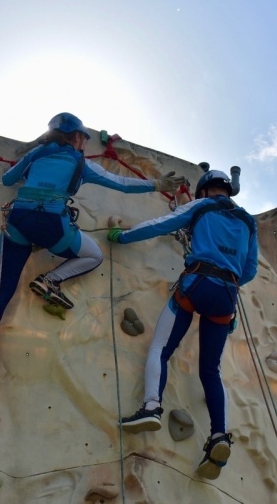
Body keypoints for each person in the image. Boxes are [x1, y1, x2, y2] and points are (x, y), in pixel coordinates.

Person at [0, 112, 186, 378]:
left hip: (18, 222)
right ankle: (49, 280)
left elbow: (7, 180)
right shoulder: (80, 163)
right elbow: (121, 184)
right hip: (52, 226)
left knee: (3, 287)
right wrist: (157, 184)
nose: (85, 143)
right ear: (77, 136)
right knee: (93, 255)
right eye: (84, 137)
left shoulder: (35, 154)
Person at [107, 166, 258, 480]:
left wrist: (122, 237)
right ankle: (218, 435)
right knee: (210, 370)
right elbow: (250, 270)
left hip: (197, 282)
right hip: (227, 295)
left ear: (204, 190)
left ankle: (151, 406)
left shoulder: (202, 206)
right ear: (228, 189)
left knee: (161, 349)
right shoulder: (248, 221)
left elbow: (162, 224)